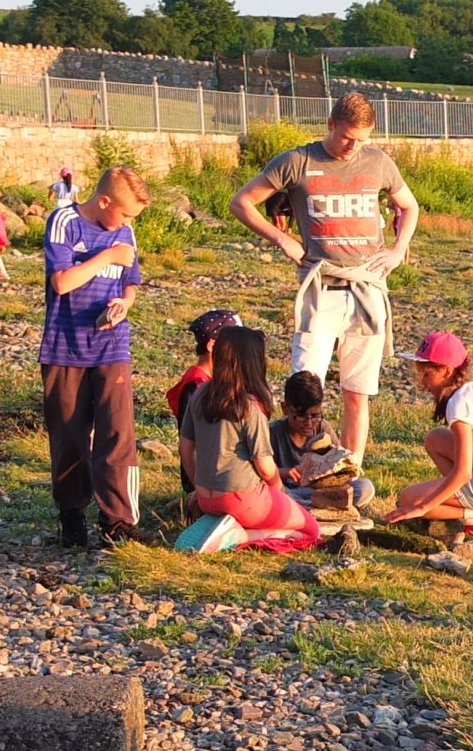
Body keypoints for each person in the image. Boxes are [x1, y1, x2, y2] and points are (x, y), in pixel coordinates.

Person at [230, 91, 420, 472]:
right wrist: (281, 239)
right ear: (331, 125)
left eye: (361, 139)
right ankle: (293, 471)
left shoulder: (378, 162)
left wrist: (398, 250)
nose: (353, 146)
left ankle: (349, 470)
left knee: (357, 393)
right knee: (304, 387)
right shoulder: (299, 161)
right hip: (321, 289)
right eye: (347, 137)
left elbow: (409, 205)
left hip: (366, 290)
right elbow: (242, 202)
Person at [40, 166, 149, 550]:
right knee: (69, 436)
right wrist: (106, 256)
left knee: (118, 432)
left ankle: (118, 521)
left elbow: (131, 281)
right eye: (125, 214)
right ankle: (72, 517)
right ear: (104, 201)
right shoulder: (64, 222)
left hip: (112, 345)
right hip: (64, 347)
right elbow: (62, 282)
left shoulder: (125, 231)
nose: (128, 223)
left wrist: (125, 303)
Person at [176, 326, 320, 552]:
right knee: (311, 530)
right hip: (243, 499)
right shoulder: (249, 407)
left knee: (275, 510)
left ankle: (221, 524)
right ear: (253, 362)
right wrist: (280, 492)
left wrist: (198, 486)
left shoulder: (200, 394)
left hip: (206, 498)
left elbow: (185, 448)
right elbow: (265, 467)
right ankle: (240, 536)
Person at [385, 332, 473, 541]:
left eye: (426, 374)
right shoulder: (472, 392)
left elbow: (463, 473)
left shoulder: (459, 405)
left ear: (446, 370)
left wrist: (423, 507)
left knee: (409, 500)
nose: (423, 383)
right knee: (435, 439)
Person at [272, 370, 375, 516]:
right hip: (287, 490)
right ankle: (316, 507)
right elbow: (258, 472)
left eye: (315, 416)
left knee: (365, 487)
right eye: (301, 416)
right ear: (285, 408)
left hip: (318, 491)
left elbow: (341, 464)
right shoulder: (273, 432)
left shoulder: (322, 428)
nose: (309, 423)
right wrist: (285, 473)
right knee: (276, 494)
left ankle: (305, 508)